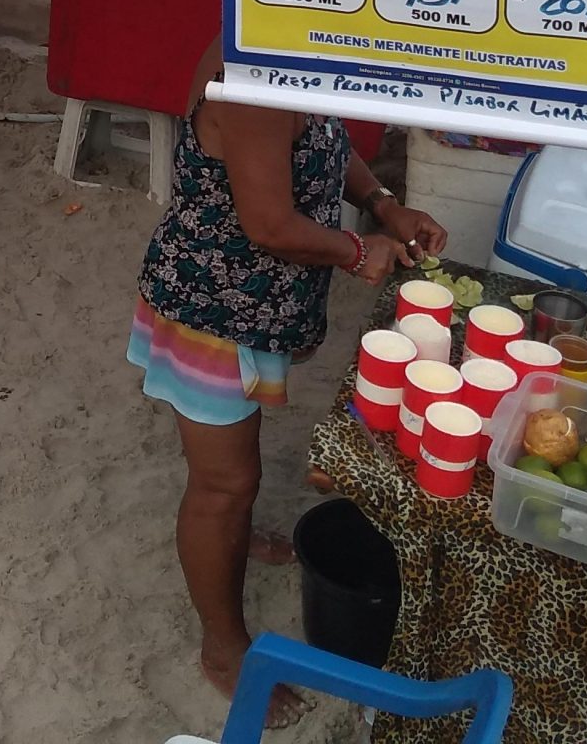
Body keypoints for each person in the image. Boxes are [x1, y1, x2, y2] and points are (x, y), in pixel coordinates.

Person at [133, 39, 445, 725]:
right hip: (211, 307)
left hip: (254, 304)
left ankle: (237, 534)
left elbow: (325, 142)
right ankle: (223, 650)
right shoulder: (252, 79)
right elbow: (269, 224)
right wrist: (357, 249)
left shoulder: (296, 43)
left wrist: (383, 204)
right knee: (223, 486)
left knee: (233, 476)